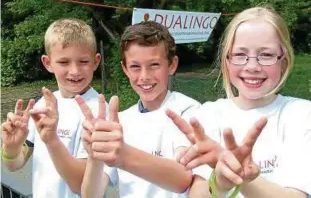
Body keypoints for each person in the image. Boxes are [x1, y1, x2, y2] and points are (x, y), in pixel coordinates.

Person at [167, 6, 311, 198]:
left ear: (283, 61)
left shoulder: (301, 115)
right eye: (240, 55)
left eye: (266, 55)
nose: (252, 66)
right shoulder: (207, 116)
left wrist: (242, 179)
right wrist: (220, 182)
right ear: (227, 60)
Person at [76, 21, 205, 198]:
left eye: (154, 65)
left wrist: (123, 155)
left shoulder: (189, 111)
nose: (144, 76)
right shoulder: (120, 121)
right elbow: (91, 195)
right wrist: (94, 158)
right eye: (135, 66)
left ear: (172, 65)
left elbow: (183, 178)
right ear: (125, 69)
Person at [1, 18, 106, 198]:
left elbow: (81, 185)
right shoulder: (44, 104)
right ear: (47, 62)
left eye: (83, 61)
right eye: (64, 62)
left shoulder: (98, 112)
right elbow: (14, 165)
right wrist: (12, 148)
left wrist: (52, 140)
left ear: (96, 61)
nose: (74, 71)